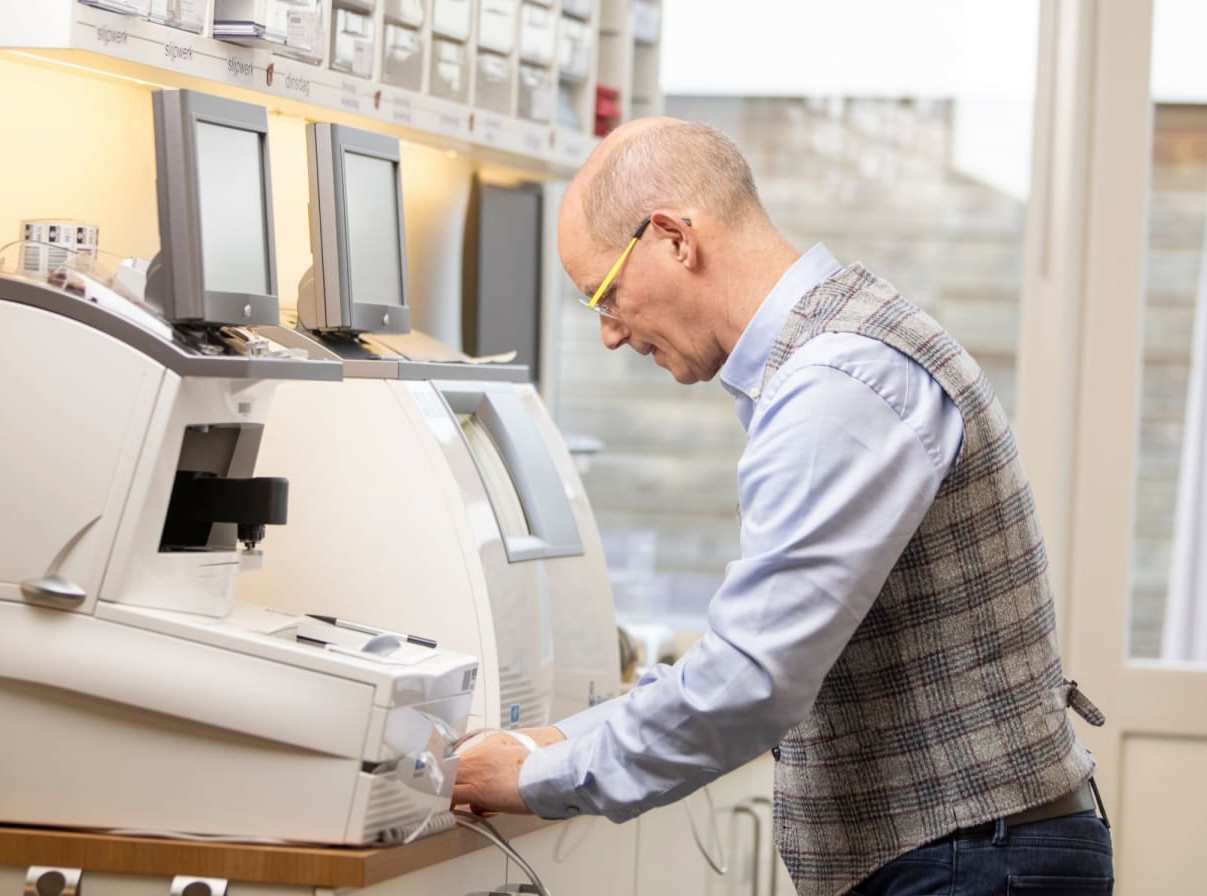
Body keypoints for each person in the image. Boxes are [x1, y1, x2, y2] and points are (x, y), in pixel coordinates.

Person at [452, 118, 1112, 896]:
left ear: (672, 238)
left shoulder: (840, 383)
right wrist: (551, 740)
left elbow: (749, 681)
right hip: (970, 849)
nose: (609, 333)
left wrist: (536, 779)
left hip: (973, 858)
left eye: (605, 293)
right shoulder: (837, 353)